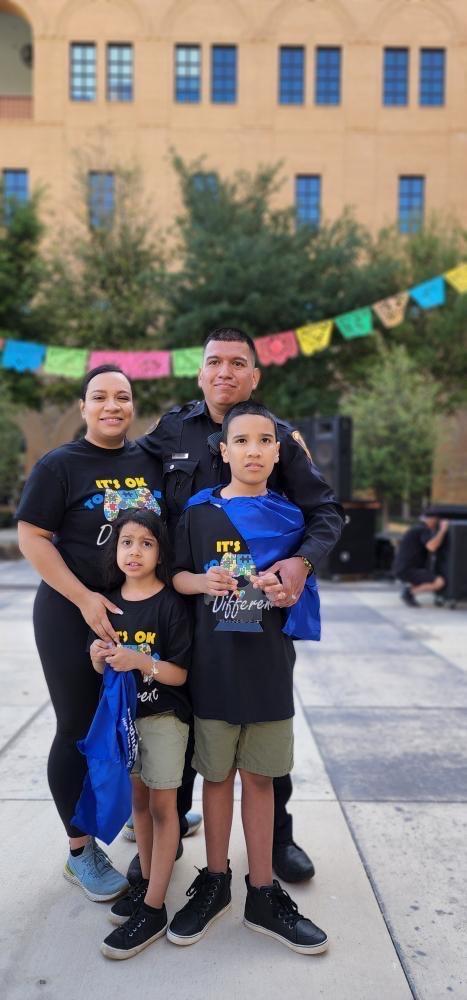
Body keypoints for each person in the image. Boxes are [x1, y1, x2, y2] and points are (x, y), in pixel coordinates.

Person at [137, 327, 344, 883]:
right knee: (179, 719)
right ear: (200, 371)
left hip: (259, 612)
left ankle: (277, 838)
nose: (224, 372)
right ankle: (166, 836)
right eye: (214, 362)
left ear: (255, 375)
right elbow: (126, 474)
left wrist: (301, 563)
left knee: (263, 720)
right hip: (184, 602)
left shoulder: (276, 435)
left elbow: (325, 511)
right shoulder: (172, 429)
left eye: (236, 363)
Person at [167, 400, 328, 955]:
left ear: (278, 453)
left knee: (260, 779)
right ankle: (214, 882)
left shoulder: (291, 518)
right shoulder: (198, 512)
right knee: (216, 779)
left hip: (268, 670)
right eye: (242, 441)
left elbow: (301, 592)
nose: (253, 451)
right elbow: (176, 576)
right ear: (223, 450)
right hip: (212, 669)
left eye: (264, 441)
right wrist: (202, 582)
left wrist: (289, 589)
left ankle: (262, 892)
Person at [16, 365, 165, 901]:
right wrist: (83, 598)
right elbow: (32, 537)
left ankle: (140, 813)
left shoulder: (149, 460)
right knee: (78, 727)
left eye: (122, 397)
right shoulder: (60, 465)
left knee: (140, 719)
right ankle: (80, 852)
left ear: (132, 406)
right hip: (68, 611)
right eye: (99, 397)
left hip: (135, 611)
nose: (112, 406)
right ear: (83, 407)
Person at [89, 509, 192, 960]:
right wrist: (99, 657)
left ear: (160, 553)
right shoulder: (108, 604)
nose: (135, 551)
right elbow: (101, 667)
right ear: (115, 549)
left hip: (164, 719)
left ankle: (154, 908)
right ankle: (148, 885)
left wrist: (140, 661)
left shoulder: (170, 604)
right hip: (125, 723)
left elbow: (180, 674)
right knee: (139, 805)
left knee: (164, 808)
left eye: (146, 543)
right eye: (127, 542)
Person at [394, 510, 448, 607]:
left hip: (403, 568)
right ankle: (409, 593)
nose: (437, 522)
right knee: (439, 582)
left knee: (426, 577)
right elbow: (431, 546)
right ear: (431, 519)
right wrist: (443, 530)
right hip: (408, 569)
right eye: (436, 520)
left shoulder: (417, 528)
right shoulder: (423, 529)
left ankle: (410, 591)